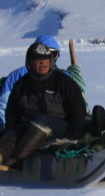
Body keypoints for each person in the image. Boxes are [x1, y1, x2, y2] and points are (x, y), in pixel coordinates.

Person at [0, 41, 89, 169]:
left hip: (58, 131)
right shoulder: (22, 84)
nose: (43, 62)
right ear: (30, 63)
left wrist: (71, 136)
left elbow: (78, 109)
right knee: (12, 133)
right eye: (38, 59)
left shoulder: (62, 81)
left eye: (46, 59)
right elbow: (11, 113)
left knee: (42, 122)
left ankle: (13, 161)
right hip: (28, 131)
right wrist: (11, 131)